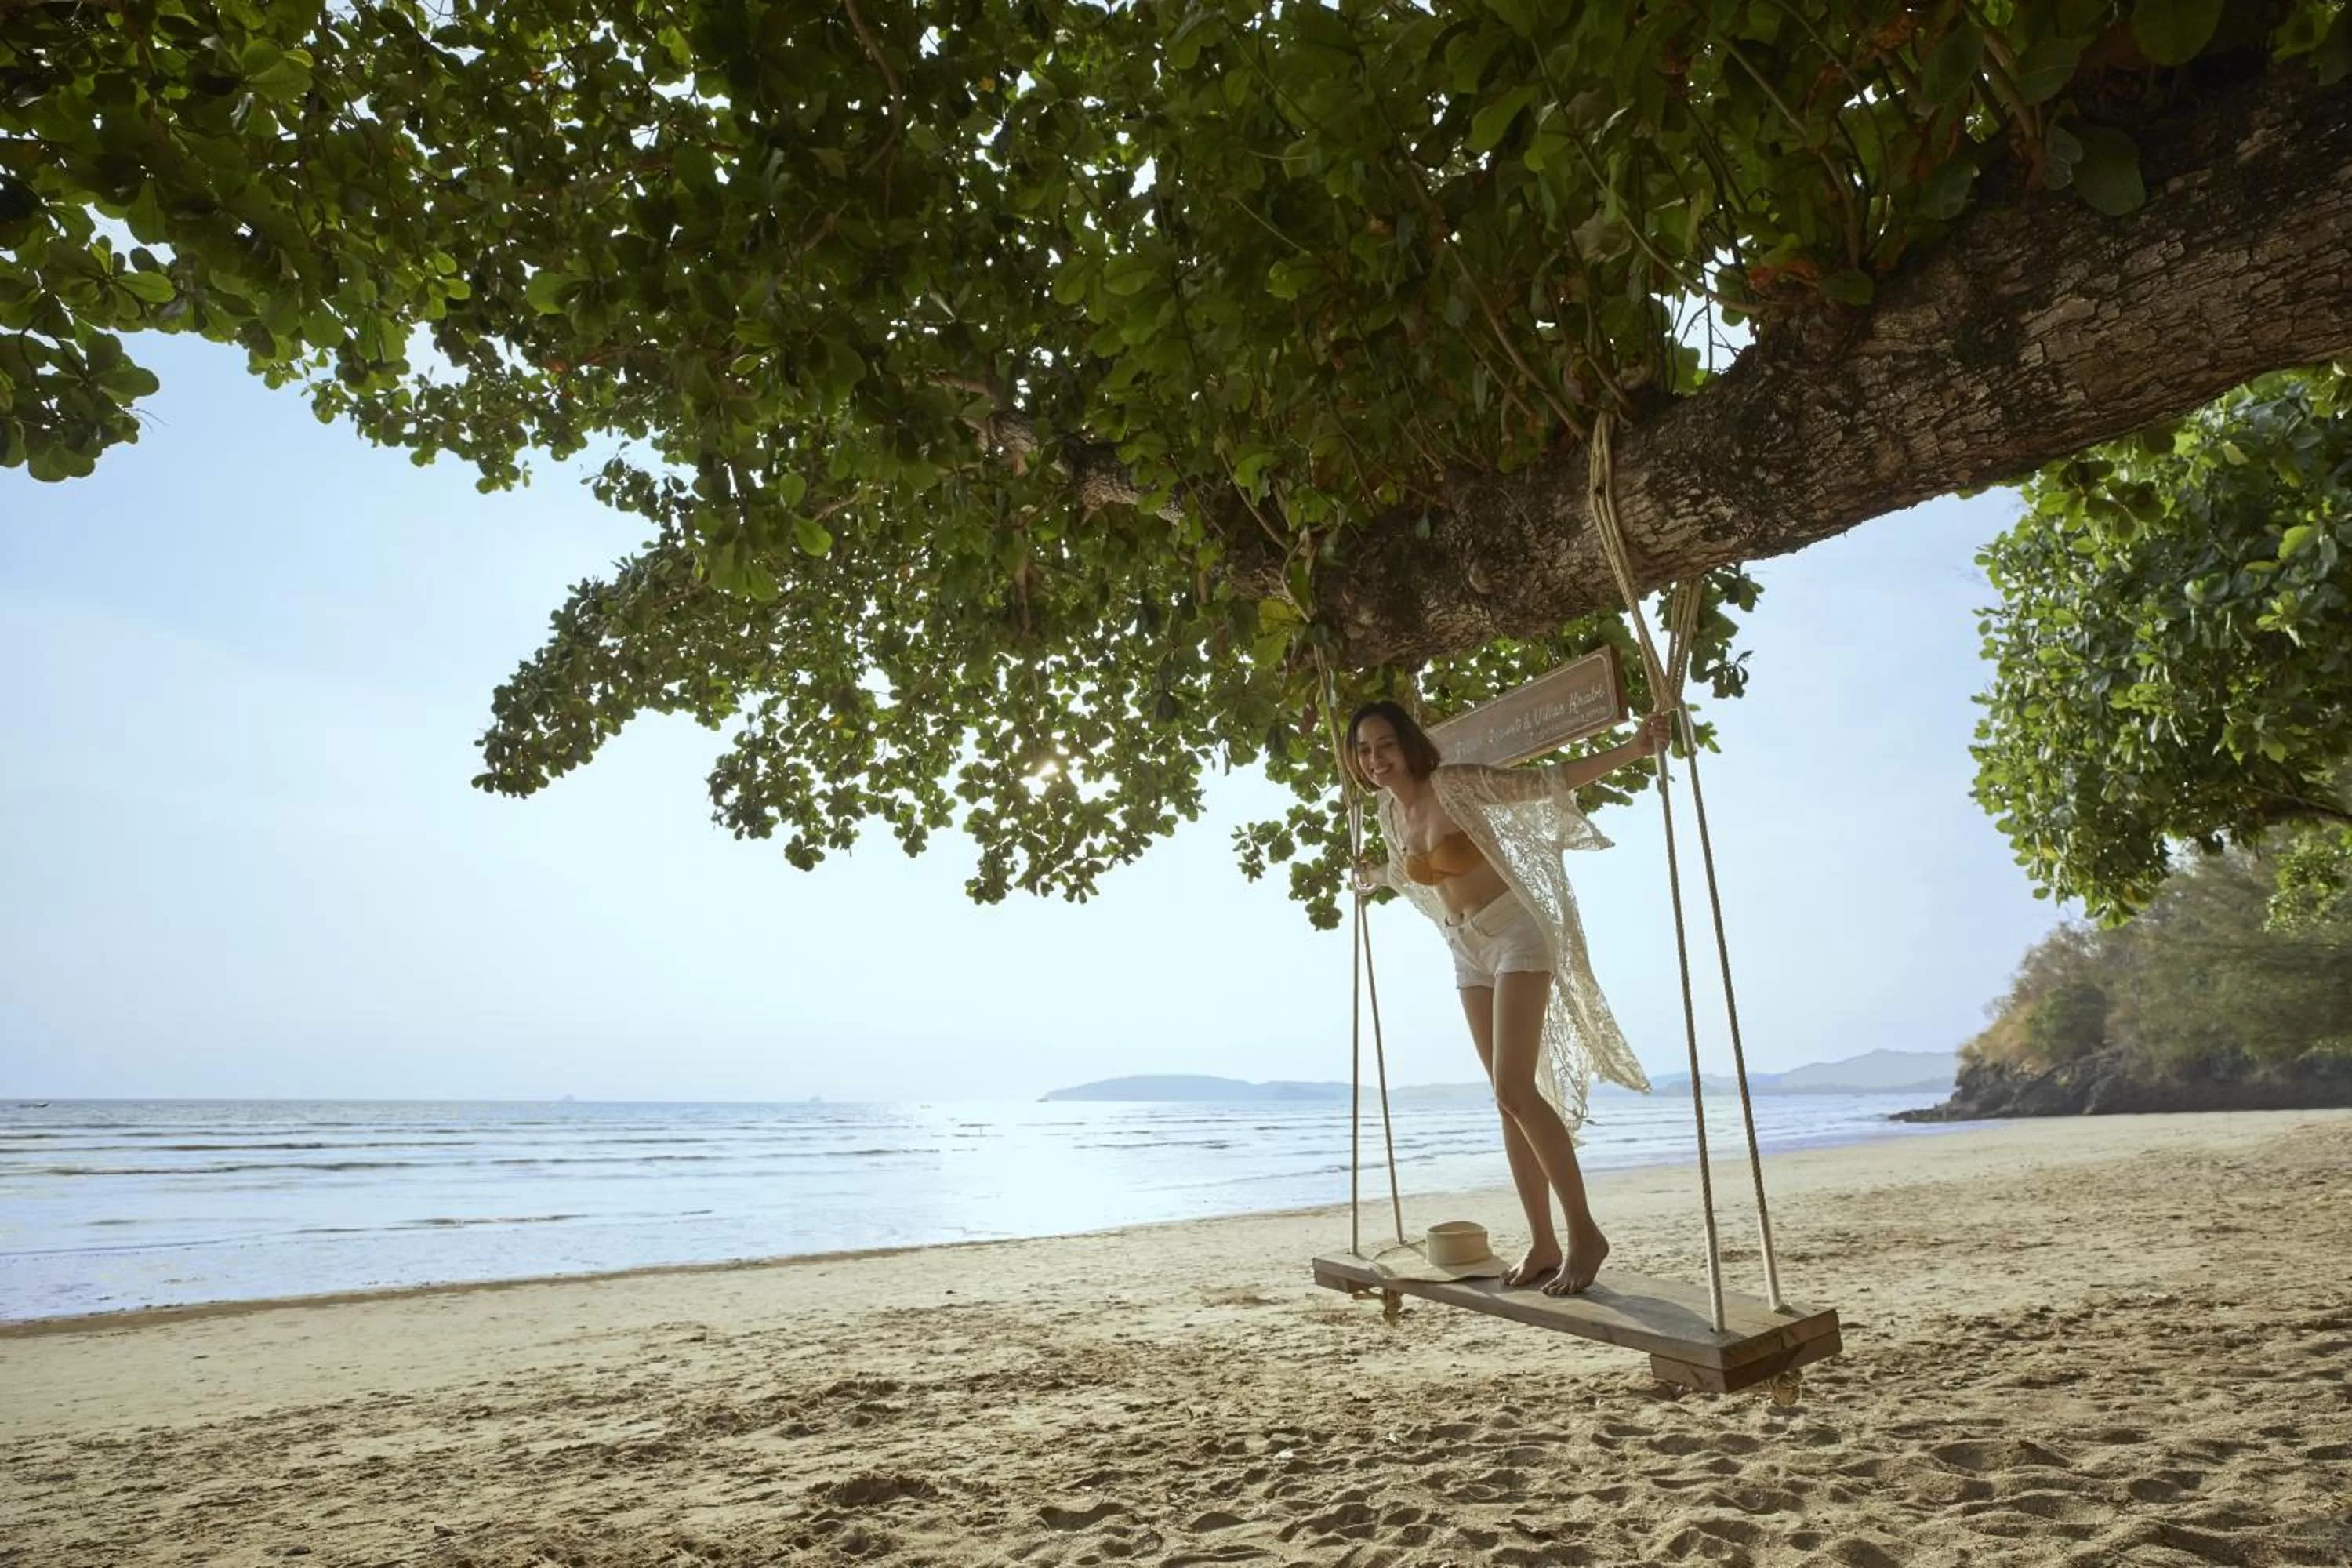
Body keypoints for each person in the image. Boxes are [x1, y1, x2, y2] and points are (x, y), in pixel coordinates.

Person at [1348, 699, 1668, 1296]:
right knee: (1506, 1101)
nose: (1375, 759)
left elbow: (1545, 784)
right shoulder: (1391, 815)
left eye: (1385, 744)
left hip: (1515, 934)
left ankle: (1584, 1235)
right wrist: (1369, 876)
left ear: (1408, 743)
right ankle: (1543, 1241)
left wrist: (1634, 749)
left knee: (1514, 1088)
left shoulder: (1455, 785)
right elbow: (1401, 873)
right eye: (1364, 750)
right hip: (1465, 949)